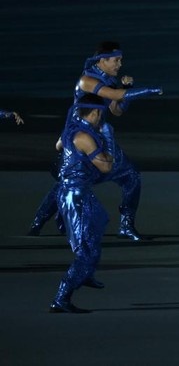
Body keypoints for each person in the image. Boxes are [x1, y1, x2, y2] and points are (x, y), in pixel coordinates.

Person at [27, 41, 162, 240]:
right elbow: (115, 95)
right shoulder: (86, 80)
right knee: (70, 182)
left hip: (100, 135)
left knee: (131, 176)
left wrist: (128, 89)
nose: (120, 64)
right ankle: (38, 222)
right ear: (102, 61)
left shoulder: (109, 81)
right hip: (79, 136)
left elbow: (116, 110)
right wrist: (146, 91)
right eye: (116, 60)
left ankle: (126, 225)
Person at [49, 94, 114, 313]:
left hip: (74, 191)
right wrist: (108, 139)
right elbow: (106, 167)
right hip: (76, 195)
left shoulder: (72, 130)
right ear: (95, 113)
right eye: (100, 115)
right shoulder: (85, 136)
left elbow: (58, 145)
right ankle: (62, 297)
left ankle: (86, 273)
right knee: (86, 248)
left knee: (100, 220)